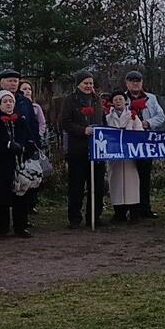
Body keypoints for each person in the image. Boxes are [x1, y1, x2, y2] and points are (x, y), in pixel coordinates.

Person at [0, 89, 36, 238]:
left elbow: (29, 137)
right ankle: (2, 228)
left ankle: (21, 227)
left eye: (11, 101)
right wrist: (7, 145)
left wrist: (26, 146)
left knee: (21, 196)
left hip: (19, 163)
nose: (8, 104)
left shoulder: (20, 119)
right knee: (1, 198)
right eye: (5, 101)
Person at [60, 71, 106, 229]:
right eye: (85, 83)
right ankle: (74, 217)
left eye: (91, 83)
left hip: (97, 149)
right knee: (76, 185)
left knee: (98, 185)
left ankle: (94, 215)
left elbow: (102, 120)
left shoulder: (97, 100)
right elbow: (65, 122)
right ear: (78, 84)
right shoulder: (70, 100)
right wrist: (82, 130)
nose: (88, 86)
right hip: (78, 149)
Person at [122, 70, 165, 219]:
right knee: (129, 177)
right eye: (132, 80)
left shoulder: (151, 99)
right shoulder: (121, 98)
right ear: (127, 83)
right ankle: (129, 208)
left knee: (145, 176)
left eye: (138, 80)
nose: (135, 83)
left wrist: (148, 123)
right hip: (128, 143)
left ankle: (145, 207)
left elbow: (160, 116)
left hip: (146, 143)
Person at [105, 92, 142, 221]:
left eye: (121, 99)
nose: (118, 101)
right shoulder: (108, 117)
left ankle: (134, 212)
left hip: (130, 156)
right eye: (115, 100)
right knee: (116, 183)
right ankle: (119, 212)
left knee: (132, 183)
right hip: (115, 156)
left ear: (125, 101)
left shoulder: (133, 116)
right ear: (112, 102)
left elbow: (140, 132)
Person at [0, 69, 40, 139]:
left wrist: (35, 142)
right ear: (1, 84)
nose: (13, 84)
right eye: (10, 81)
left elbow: (33, 124)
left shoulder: (25, 102)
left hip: (26, 145)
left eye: (15, 81)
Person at [19, 80, 48, 218]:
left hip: (34, 143)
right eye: (24, 88)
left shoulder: (36, 107)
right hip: (22, 144)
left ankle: (32, 203)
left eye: (29, 88)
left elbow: (42, 123)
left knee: (35, 174)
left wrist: (38, 136)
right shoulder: (17, 105)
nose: (27, 91)